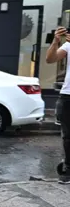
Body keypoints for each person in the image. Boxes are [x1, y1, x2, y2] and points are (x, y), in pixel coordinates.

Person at [45, 26, 70, 183]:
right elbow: (50, 59)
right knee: (68, 137)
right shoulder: (68, 44)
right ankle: (68, 168)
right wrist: (55, 41)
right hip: (68, 95)